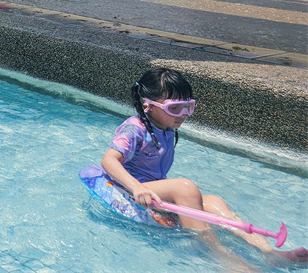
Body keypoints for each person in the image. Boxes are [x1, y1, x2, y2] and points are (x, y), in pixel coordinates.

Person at [98, 68, 307, 263]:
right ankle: (226, 259)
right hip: (130, 187)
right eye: (175, 108)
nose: (184, 114)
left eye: (187, 106)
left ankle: (269, 253)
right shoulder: (134, 129)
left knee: (214, 203)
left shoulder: (166, 126)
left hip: (153, 186)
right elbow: (108, 160)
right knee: (184, 187)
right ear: (148, 105)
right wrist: (137, 187)